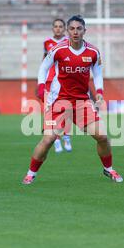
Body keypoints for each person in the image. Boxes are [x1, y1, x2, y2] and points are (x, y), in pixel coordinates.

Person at [22, 15, 123, 185]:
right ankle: (31, 173)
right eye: (72, 29)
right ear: (68, 31)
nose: (75, 32)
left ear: (84, 31)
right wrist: (41, 87)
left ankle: (108, 169)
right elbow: (43, 67)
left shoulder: (93, 52)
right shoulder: (58, 49)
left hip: (82, 102)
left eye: (79, 29)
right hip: (58, 101)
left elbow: (97, 73)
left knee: (103, 137)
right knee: (48, 140)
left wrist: (99, 91)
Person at [42, 19, 72, 153]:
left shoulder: (70, 42)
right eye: (56, 26)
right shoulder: (47, 42)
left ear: (65, 28)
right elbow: (44, 62)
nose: (58, 29)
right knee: (50, 110)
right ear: (52, 28)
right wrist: (41, 81)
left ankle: (66, 135)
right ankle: (56, 140)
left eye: (61, 26)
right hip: (50, 81)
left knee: (66, 109)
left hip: (65, 81)